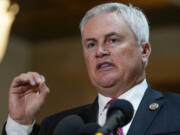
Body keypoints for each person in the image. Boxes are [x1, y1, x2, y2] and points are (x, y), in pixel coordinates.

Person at [2, 2, 180, 135]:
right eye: (91, 44)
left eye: (112, 40)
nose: (100, 51)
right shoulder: (58, 127)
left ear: (144, 50)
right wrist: (19, 122)